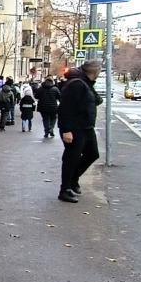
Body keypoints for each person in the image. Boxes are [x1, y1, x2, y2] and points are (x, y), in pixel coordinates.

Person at [57, 59, 103, 203]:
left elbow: (97, 100)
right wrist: (67, 130)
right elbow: (65, 108)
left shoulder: (86, 83)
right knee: (71, 158)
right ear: (95, 71)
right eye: (99, 70)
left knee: (92, 154)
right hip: (74, 128)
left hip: (86, 127)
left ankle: (73, 180)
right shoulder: (76, 84)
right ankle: (65, 189)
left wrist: (91, 85)